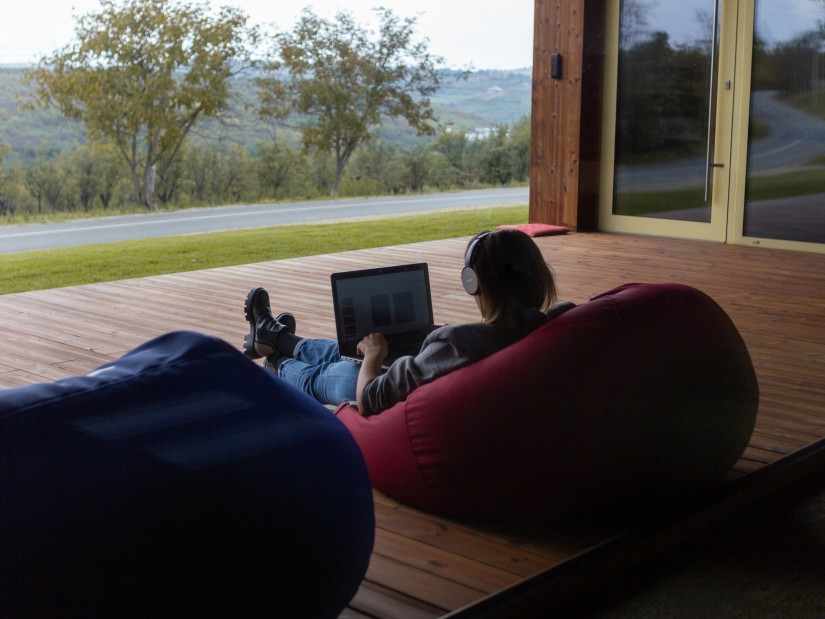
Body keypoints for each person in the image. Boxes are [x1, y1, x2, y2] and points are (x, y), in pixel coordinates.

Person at [242, 229, 573, 415]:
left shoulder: (456, 344)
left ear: (473, 283)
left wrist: (373, 358)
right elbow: (489, 338)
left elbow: (371, 398)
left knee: (342, 370)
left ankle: (277, 360)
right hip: (428, 372)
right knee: (343, 350)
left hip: (391, 399)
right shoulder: (551, 322)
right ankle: (276, 336)